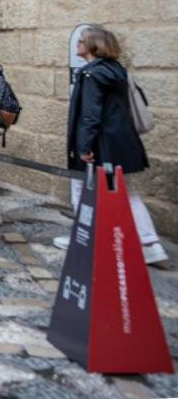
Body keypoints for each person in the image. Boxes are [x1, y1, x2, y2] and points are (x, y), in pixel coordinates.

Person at [58, 25, 167, 266]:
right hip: (121, 142)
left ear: (92, 46)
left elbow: (90, 114)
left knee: (81, 187)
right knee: (126, 193)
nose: (78, 44)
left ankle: (84, 238)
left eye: (82, 41)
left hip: (100, 144)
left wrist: (85, 147)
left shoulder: (91, 74)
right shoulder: (116, 70)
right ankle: (150, 244)